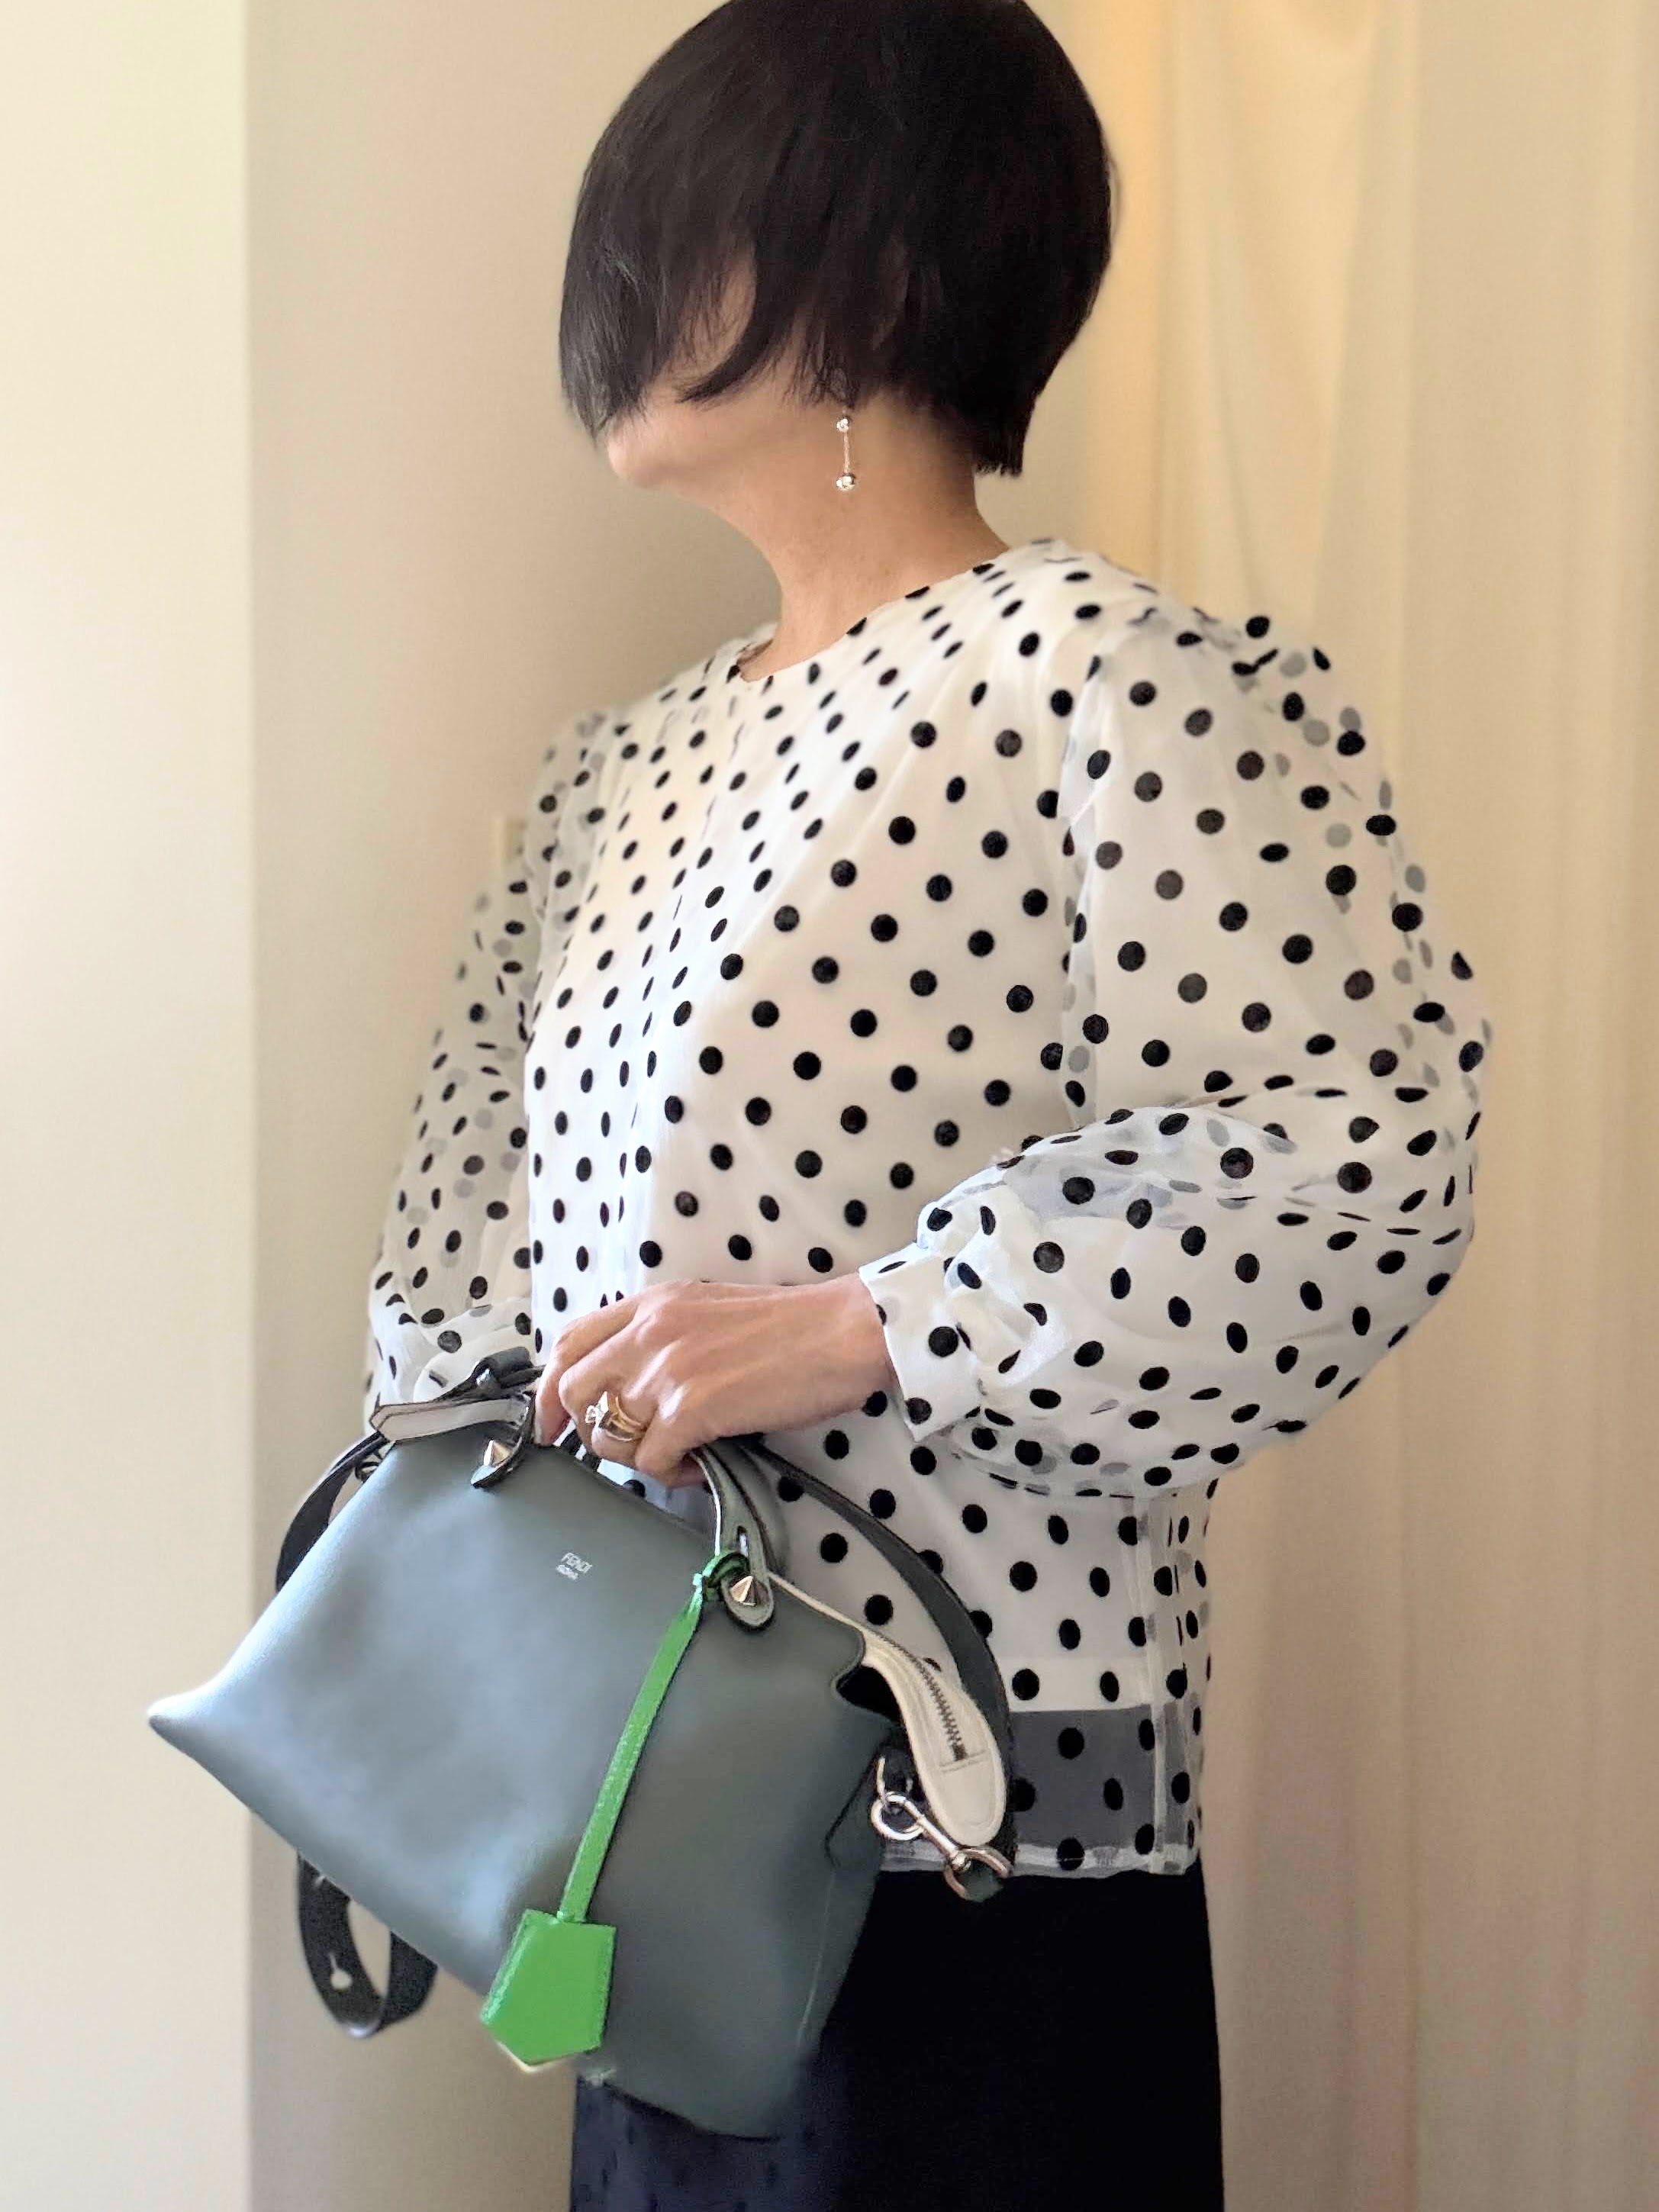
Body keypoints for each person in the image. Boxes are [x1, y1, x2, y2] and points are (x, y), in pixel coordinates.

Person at [363, 3, 1496, 2205]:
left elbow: (1356, 1152)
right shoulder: (621, 766)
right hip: (641, 1845)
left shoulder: (1100, 676)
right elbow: (464, 1223)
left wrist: (877, 1320)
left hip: (972, 1876)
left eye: (684, 224)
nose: (618, 298)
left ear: (882, 258)